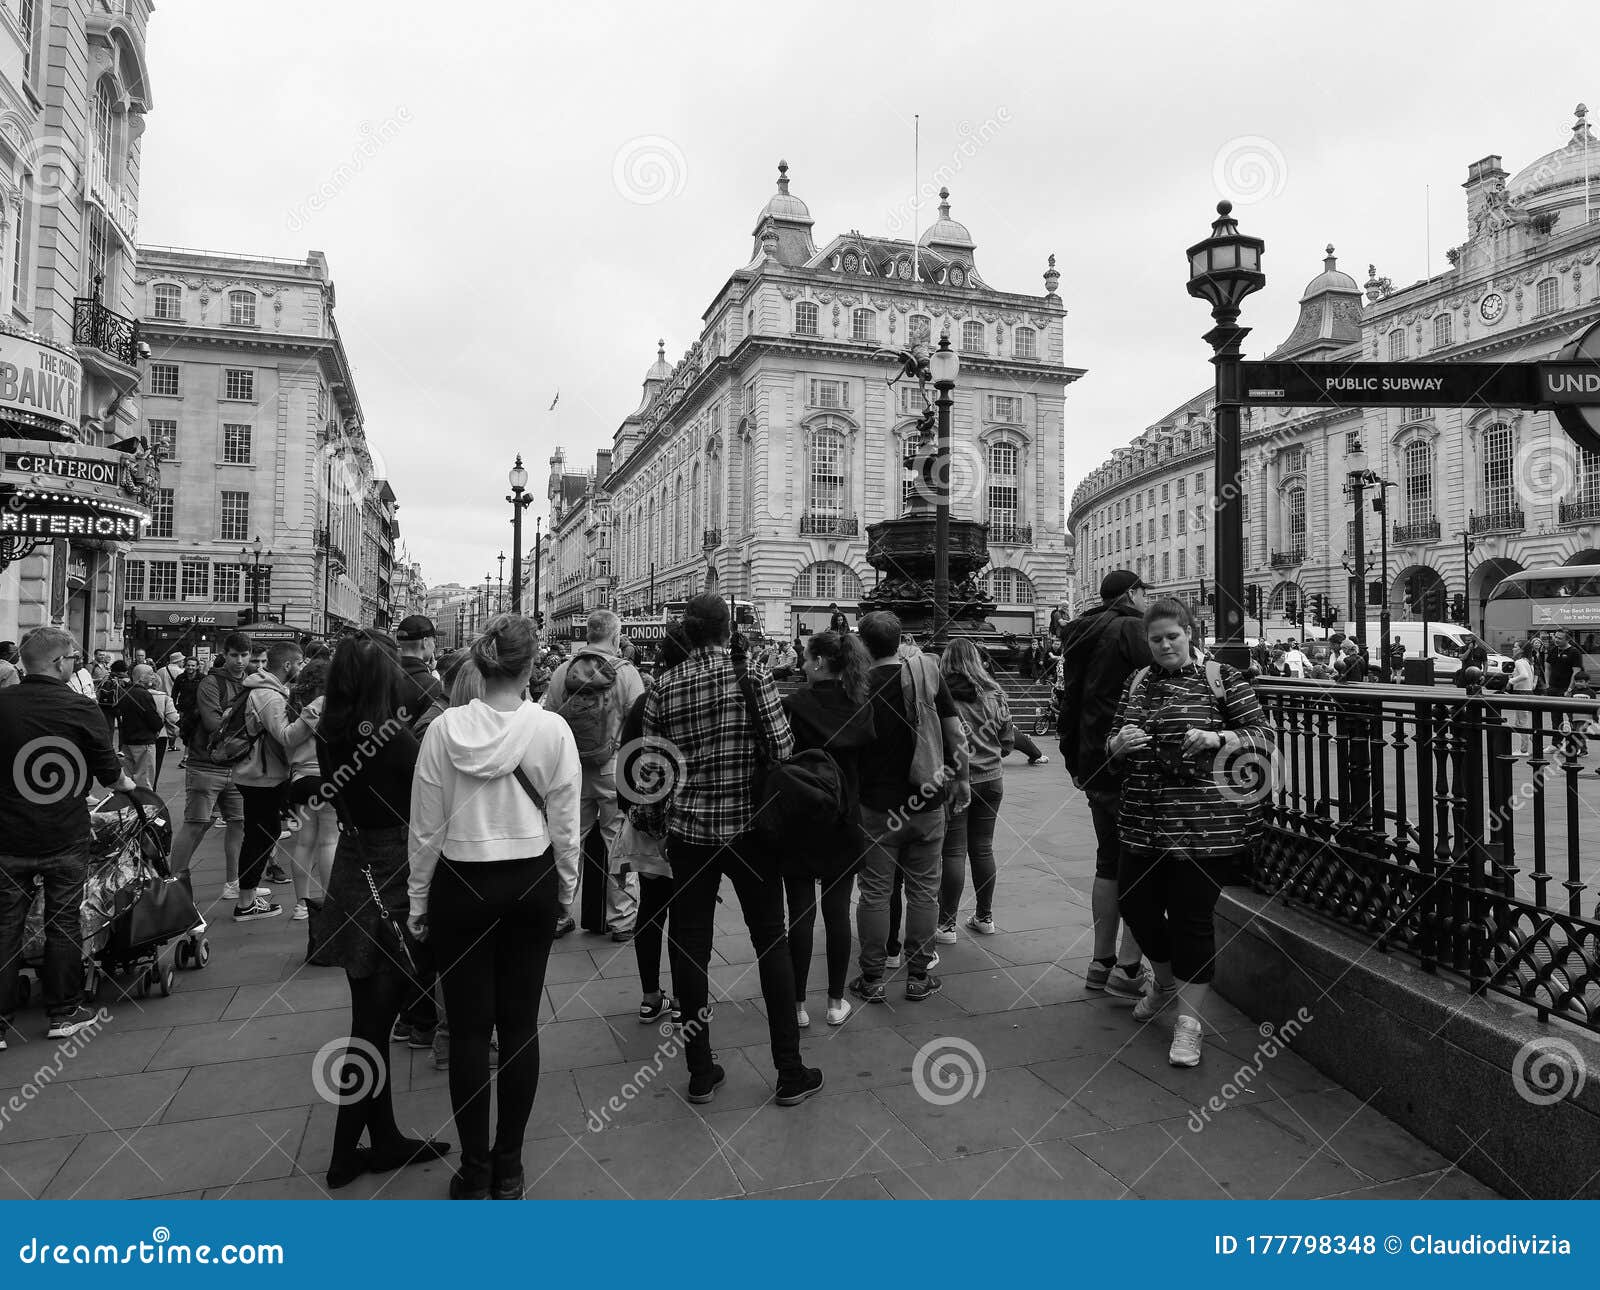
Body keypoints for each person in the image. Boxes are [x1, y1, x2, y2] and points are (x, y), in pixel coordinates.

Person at [410, 614, 579, 1199]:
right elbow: (566, 823)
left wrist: (417, 898)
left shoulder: (444, 730)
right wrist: (566, 886)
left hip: (460, 881)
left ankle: (474, 1167)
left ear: (481, 664)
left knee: (467, 1033)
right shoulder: (553, 730)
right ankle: (511, 1166)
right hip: (529, 879)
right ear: (533, 666)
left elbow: (425, 827)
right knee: (520, 1026)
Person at [644, 593, 824, 1106]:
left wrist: (659, 826)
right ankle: (789, 1070)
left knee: (689, 945)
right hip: (750, 832)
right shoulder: (752, 677)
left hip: (689, 835)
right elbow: (783, 750)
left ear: (686, 631)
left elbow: (655, 772)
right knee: (770, 940)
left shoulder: (663, 689)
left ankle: (700, 1072)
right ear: (727, 630)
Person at [1105, 597, 1271, 1068]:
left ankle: (1189, 1024)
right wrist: (1118, 743)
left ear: (1190, 634)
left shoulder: (1222, 680)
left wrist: (1219, 738)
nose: (1163, 645)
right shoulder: (1137, 681)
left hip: (1205, 827)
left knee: (1190, 920)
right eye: (1155, 639)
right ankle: (1163, 983)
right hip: (1141, 822)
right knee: (1134, 904)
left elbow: (1263, 735)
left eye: (1171, 637)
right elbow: (1112, 738)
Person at [314, 630, 451, 1191]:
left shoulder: (330, 732)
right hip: (396, 867)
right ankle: (345, 1153)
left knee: (367, 1013)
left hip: (353, 868)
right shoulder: (394, 739)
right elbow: (429, 799)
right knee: (372, 1022)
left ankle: (385, 1135)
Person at [0, 628, 136, 1046]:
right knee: (63, 920)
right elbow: (109, 772)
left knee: (5, 923)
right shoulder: (79, 707)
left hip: (7, 834)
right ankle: (63, 1012)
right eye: (73, 658)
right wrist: (127, 786)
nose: (76, 664)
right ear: (59, 663)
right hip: (63, 831)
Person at [850, 610, 970, 1005]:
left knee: (875, 893)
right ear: (900, 639)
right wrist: (962, 778)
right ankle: (918, 975)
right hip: (927, 800)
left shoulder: (856, 684)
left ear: (863, 646)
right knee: (923, 890)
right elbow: (956, 734)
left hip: (877, 807)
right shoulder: (927, 676)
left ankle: (872, 978)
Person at [1058, 570, 1151, 996]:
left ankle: (1100, 961)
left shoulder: (1080, 628)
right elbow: (1159, 684)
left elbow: (1070, 698)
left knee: (1107, 858)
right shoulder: (1133, 627)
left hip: (1091, 758)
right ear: (1132, 594)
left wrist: (1071, 755)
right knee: (1142, 859)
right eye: (1143, 592)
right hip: (1128, 756)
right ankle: (1129, 969)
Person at [781, 628, 875, 1029]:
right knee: (837, 913)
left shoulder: (796, 704)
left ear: (820, 662)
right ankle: (836, 1002)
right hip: (845, 820)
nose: (802, 663)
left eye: (806, 656)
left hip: (801, 819)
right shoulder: (861, 704)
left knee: (799, 913)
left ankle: (797, 1005)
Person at [542, 609, 643, 940]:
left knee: (569, 841)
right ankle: (622, 920)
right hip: (613, 769)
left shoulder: (562, 672)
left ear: (588, 634)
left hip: (573, 770)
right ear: (615, 637)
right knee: (619, 844)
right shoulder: (626, 673)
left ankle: (559, 913)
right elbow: (639, 722)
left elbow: (549, 720)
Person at [617, 624, 692, 1025]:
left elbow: (626, 761)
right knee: (685, 912)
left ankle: (650, 996)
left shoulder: (646, 701)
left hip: (648, 821)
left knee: (651, 907)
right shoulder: (697, 697)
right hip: (687, 824)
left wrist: (630, 808)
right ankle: (683, 997)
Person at [936, 637, 1014, 942]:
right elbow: (1007, 741)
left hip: (955, 779)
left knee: (952, 851)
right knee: (982, 848)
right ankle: (984, 917)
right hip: (992, 779)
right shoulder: (996, 693)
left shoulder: (944, 696)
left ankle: (946, 924)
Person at [234, 641, 317, 919]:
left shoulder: (267, 690)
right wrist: (310, 715)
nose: (302, 667)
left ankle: (248, 891)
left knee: (261, 833)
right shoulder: (268, 695)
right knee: (260, 836)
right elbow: (285, 736)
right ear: (288, 665)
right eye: (300, 662)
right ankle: (245, 902)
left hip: (260, 773)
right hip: (260, 775)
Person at [168, 633, 253, 900]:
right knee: (197, 823)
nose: (240, 661)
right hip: (206, 764)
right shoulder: (211, 682)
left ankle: (233, 883)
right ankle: (174, 885)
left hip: (238, 766)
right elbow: (213, 724)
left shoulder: (250, 683)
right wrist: (248, 724)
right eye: (234, 655)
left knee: (238, 824)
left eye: (244, 655)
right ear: (224, 655)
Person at [284, 659, 334, 918]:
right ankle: (328, 904)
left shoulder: (297, 704)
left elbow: (289, 738)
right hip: (329, 778)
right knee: (328, 841)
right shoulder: (333, 704)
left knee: (304, 843)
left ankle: (301, 904)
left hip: (301, 779)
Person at [113, 664, 176, 791]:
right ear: (142, 677)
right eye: (151, 674)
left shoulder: (125, 692)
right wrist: (159, 722)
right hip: (144, 742)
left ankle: (130, 807)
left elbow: (119, 714)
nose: (154, 677)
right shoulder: (144, 695)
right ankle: (144, 808)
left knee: (129, 778)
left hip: (128, 741)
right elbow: (154, 720)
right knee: (145, 780)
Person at [395, 614, 445, 734]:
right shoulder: (431, 686)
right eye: (434, 640)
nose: (434, 645)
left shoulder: (383, 673)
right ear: (425, 642)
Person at [1507, 640, 1537, 758]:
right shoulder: (1528, 662)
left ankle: (1524, 750)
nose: (1513, 649)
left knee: (1521, 723)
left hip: (1521, 693)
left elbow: (1524, 676)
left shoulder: (1519, 662)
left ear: (1521, 650)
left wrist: (1511, 681)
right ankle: (1532, 740)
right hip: (1527, 692)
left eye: (1515, 647)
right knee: (1520, 722)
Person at [1546, 630, 1583, 697]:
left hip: (1566, 689)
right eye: (1556, 637)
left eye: (1559, 638)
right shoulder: (1552, 650)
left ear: (1568, 639)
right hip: (1551, 688)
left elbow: (1576, 672)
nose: (1556, 640)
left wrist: (1569, 689)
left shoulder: (1574, 652)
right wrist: (1547, 685)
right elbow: (1547, 668)